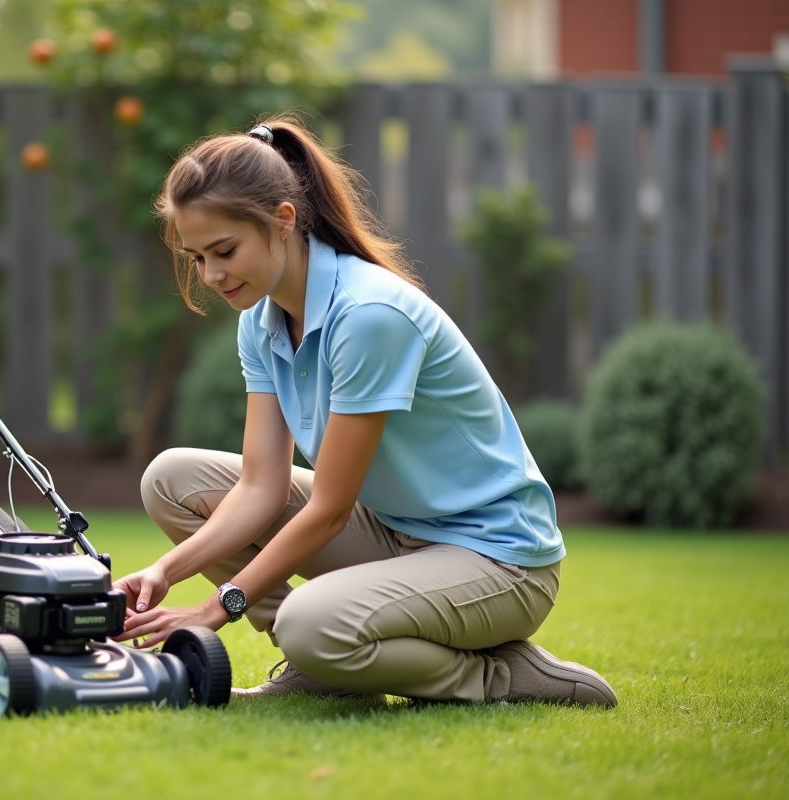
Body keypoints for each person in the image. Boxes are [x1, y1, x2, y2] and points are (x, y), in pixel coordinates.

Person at [112, 115, 617, 707]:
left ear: (283, 221)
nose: (213, 276)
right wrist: (165, 572)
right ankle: (329, 670)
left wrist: (213, 608)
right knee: (172, 481)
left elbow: (328, 510)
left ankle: (501, 679)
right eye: (198, 258)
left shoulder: (369, 315)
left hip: (497, 561)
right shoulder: (262, 320)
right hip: (395, 531)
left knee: (307, 620)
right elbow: (258, 487)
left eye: (225, 250)